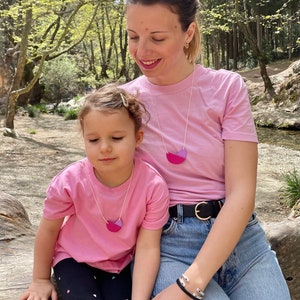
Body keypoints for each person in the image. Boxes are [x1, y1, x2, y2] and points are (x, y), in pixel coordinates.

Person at [122, 1, 291, 299]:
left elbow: (242, 192)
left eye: (157, 38)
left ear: (188, 33)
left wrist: (192, 282)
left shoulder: (227, 88)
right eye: (133, 36)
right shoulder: (125, 102)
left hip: (243, 243)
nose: (142, 51)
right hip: (168, 247)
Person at [20, 84, 170, 300]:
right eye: (93, 140)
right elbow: (49, 230)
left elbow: (148, 247)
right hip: (72, 259)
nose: (104, 147)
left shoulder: (153, 186)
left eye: (116, 138)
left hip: (120, 263)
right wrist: (40, 279)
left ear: (137, 138)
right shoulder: (69, 181)